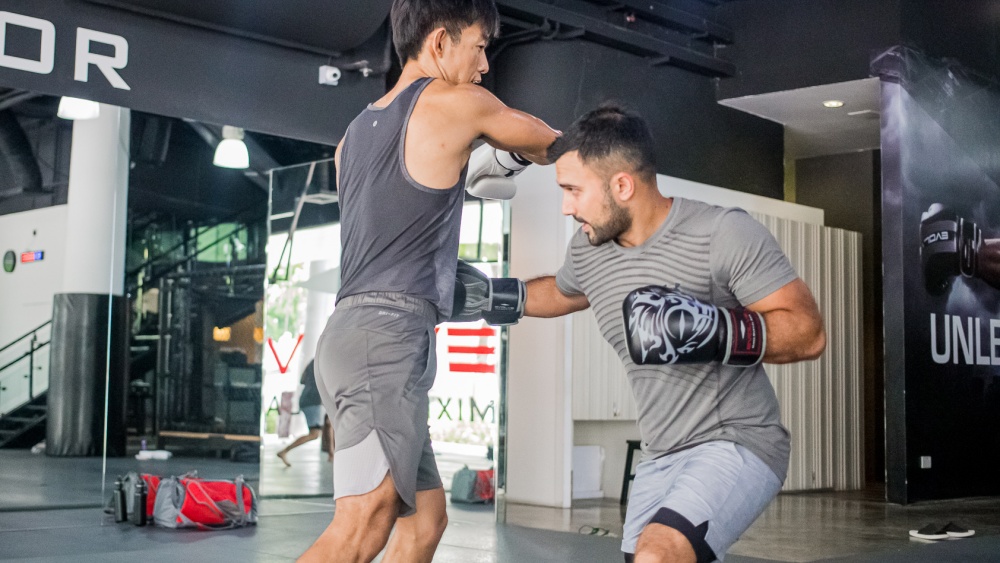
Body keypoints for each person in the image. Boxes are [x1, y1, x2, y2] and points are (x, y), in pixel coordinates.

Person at [300, 0, 560, 561]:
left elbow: (397, 240)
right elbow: (547, 141)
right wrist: (521, 154)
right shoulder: (455, 100)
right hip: (384, 343)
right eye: (480, 46)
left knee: (425, 523)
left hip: (361, 335)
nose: (485, 65)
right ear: (440, 43)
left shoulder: (352, 137)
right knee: (360, 526)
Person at [521, 105, 826, 563]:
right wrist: (486, 296)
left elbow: (808, 333)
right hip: (661, 454)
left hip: (738, 440)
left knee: (659, 554)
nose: (566, 206)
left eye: (573, 190)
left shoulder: (722, 233)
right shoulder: (590, 251)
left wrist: (712, 328)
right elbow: (559, 294)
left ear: (622, 185)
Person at [276, 360, 333, 467]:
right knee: (315, 434)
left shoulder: (313, 361)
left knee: (328, 424)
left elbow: (302, 380)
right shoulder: (327, 361)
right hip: (314, 399)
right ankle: (284, 451)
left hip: (308, 397)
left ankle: (331, 454)